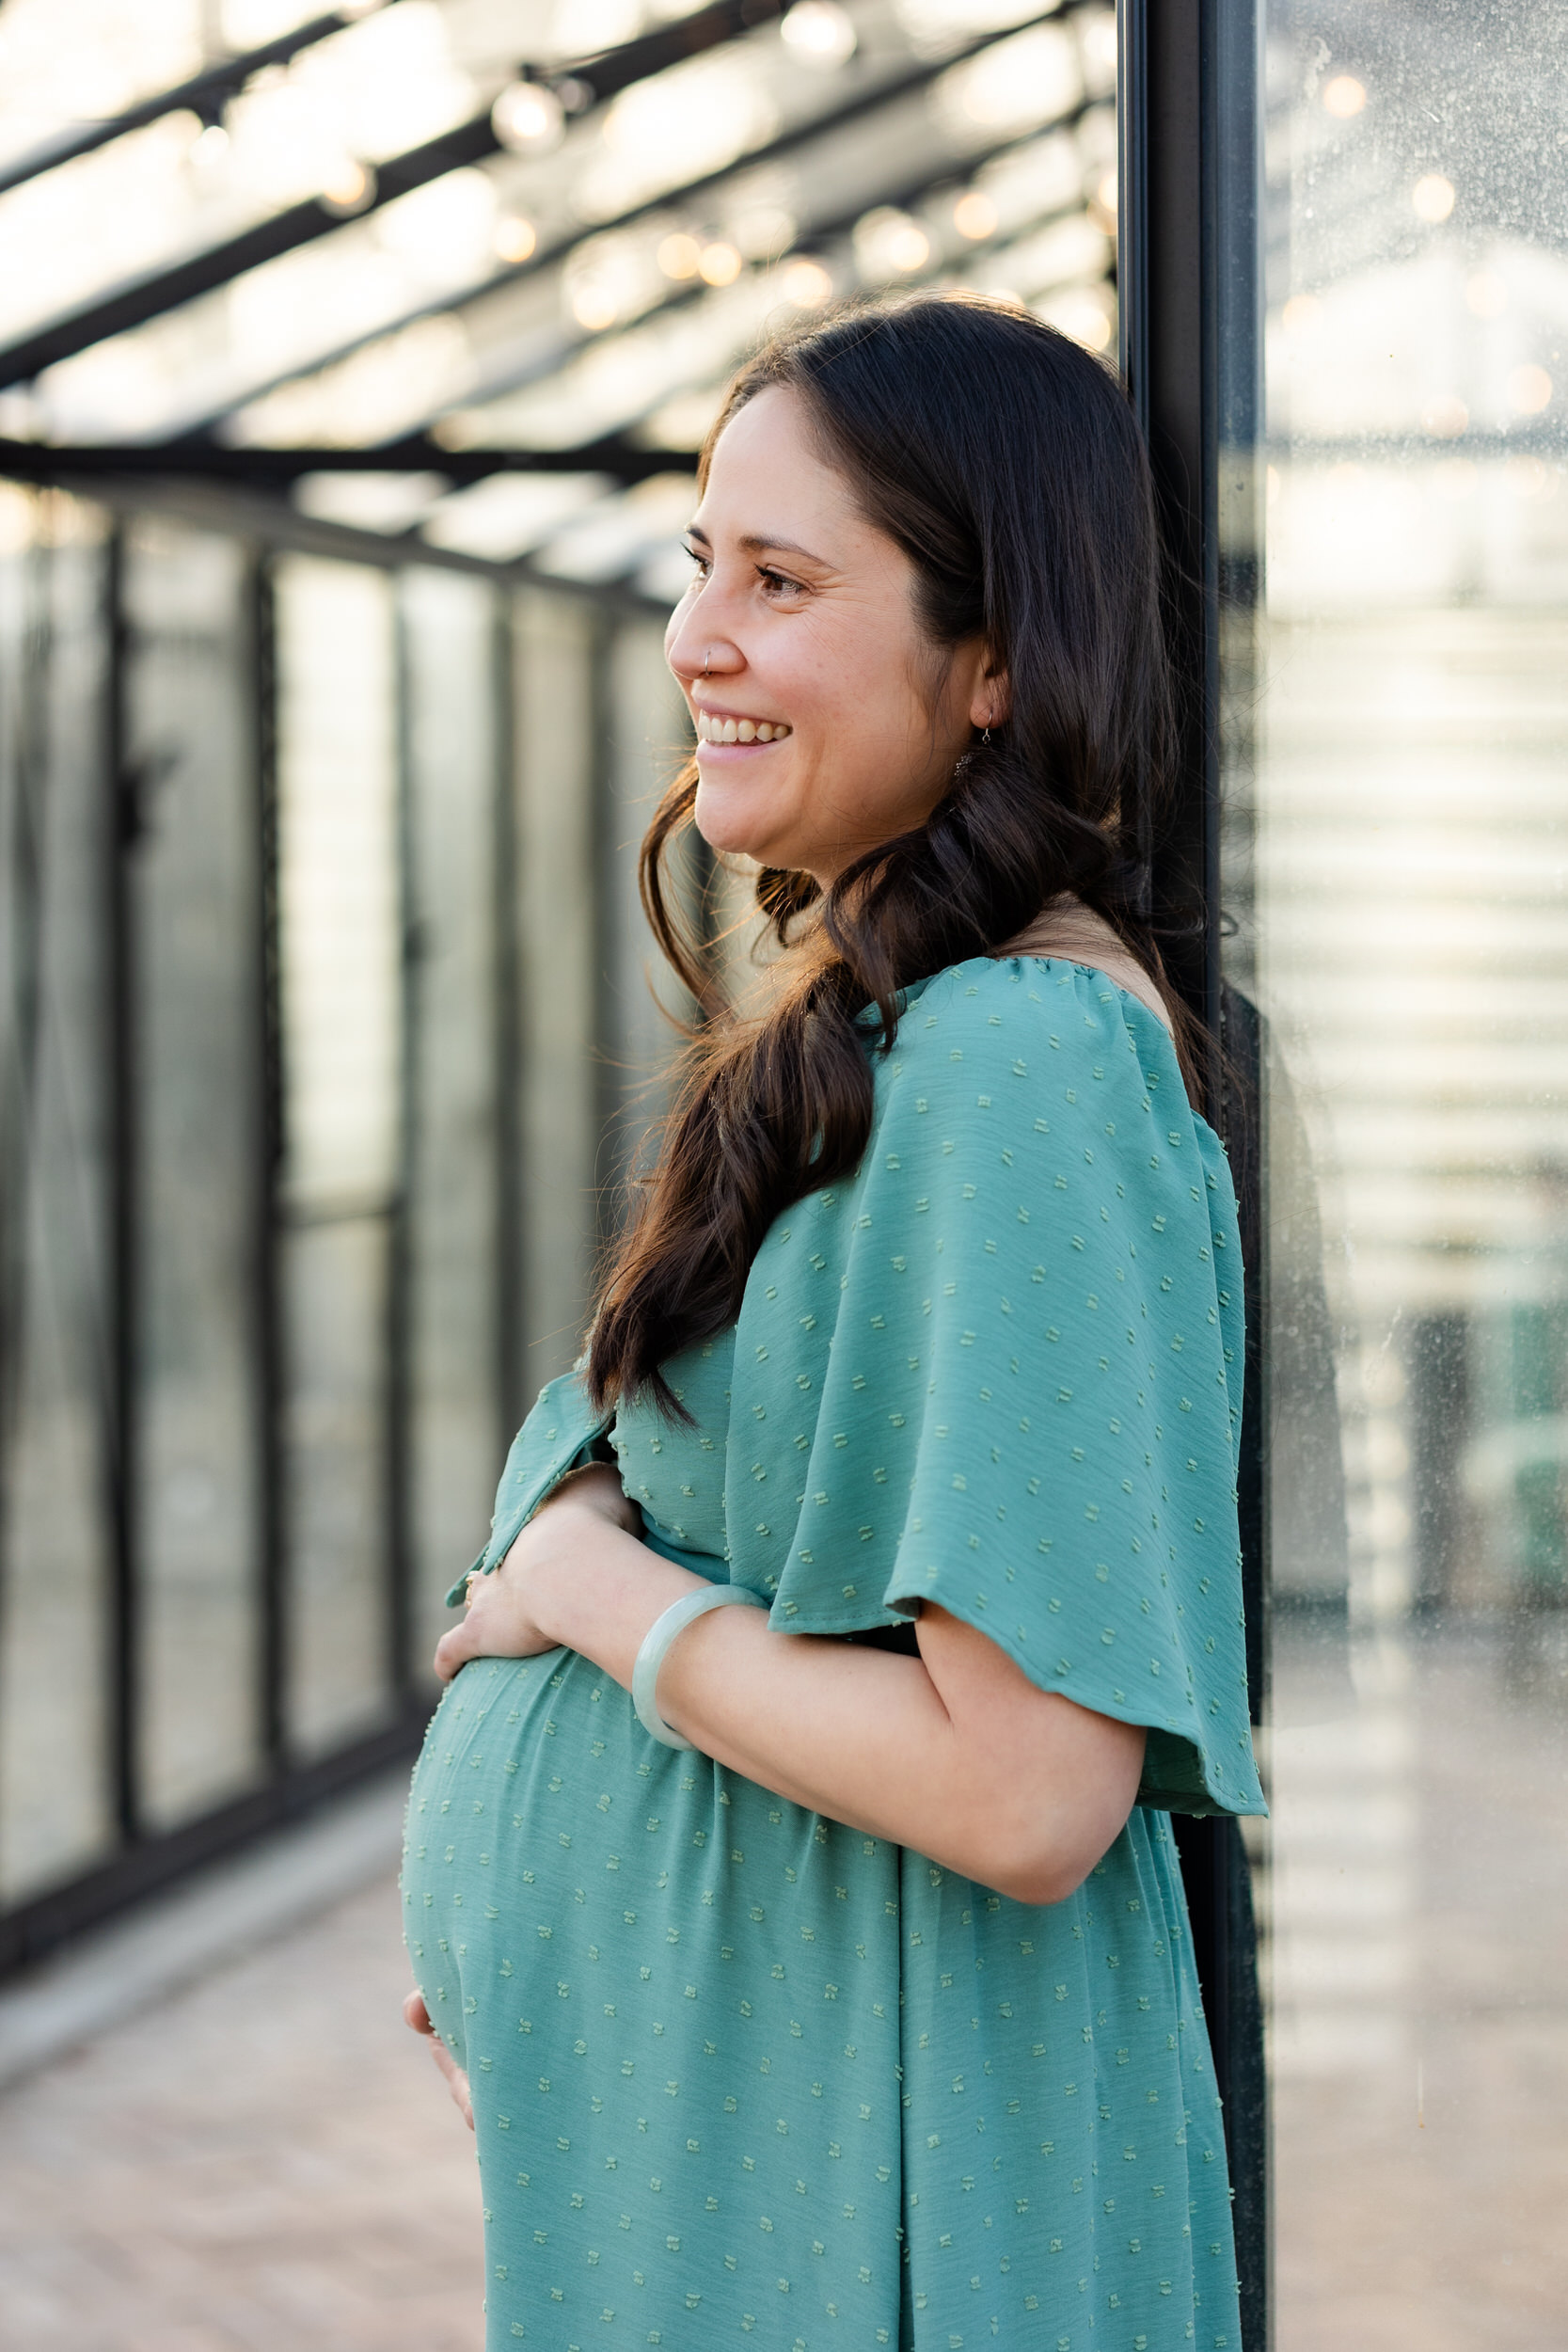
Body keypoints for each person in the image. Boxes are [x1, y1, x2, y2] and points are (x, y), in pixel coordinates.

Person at [401, 292, 1265, 2351]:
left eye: (781, 580)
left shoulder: (1025, 1064)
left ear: (991, 665)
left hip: (872, 2148)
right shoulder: (901, 1030)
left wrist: (587, 1597)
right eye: (706, 560)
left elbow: (1025, 1790)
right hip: (752, 2105)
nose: (700, 632)